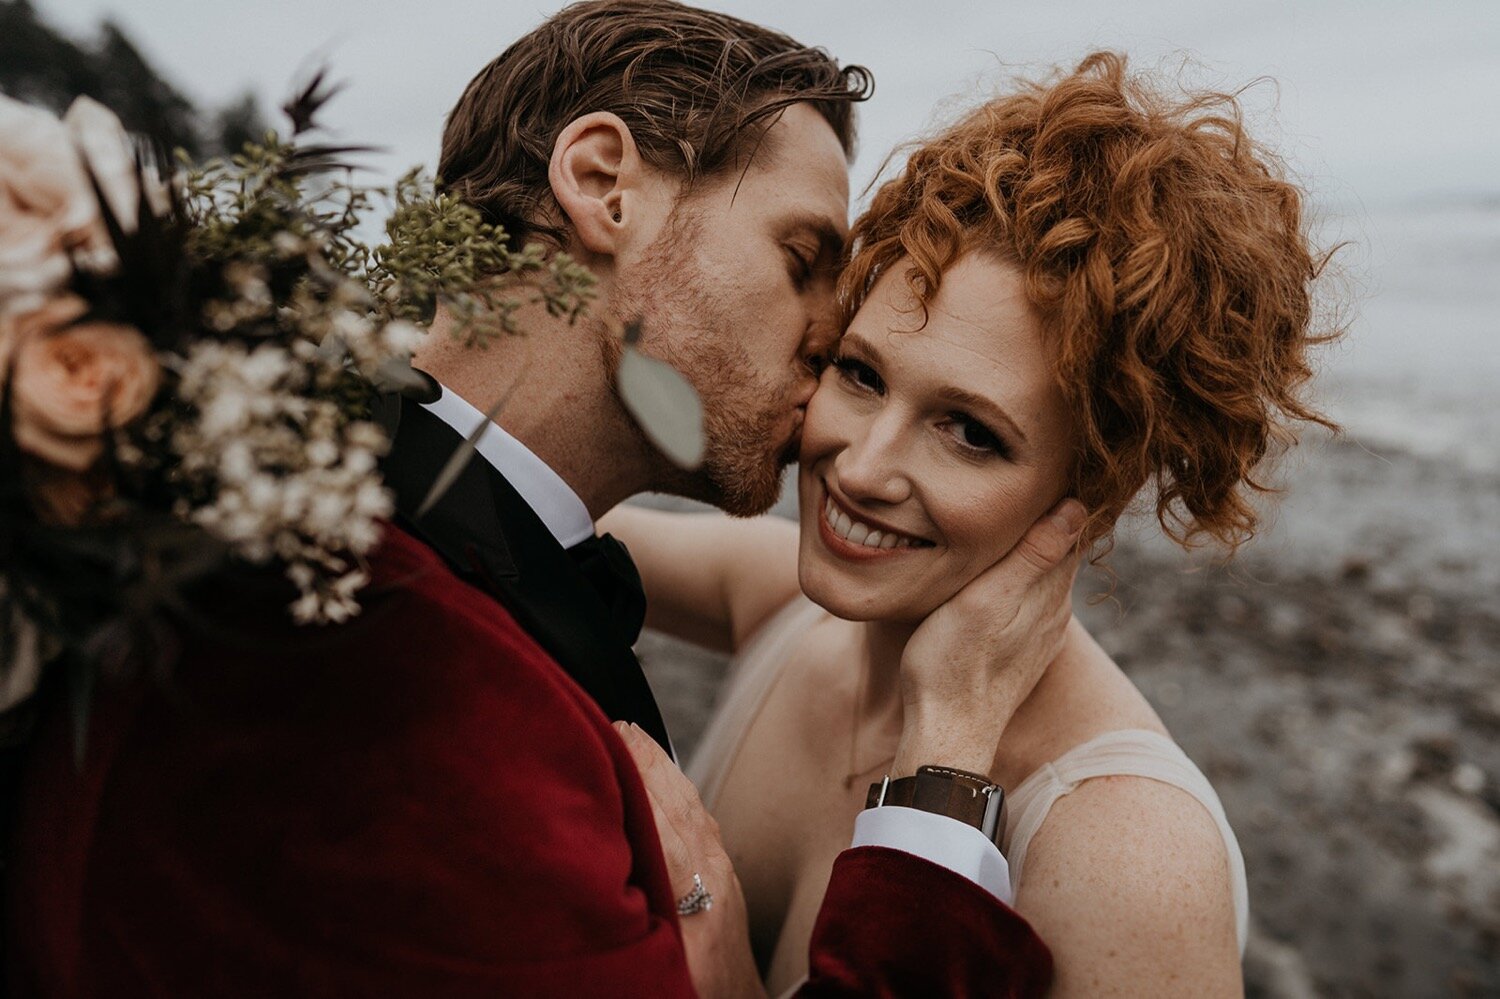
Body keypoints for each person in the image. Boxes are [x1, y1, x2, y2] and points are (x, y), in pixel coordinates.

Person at [5, 2, 1078, 995]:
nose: (828, 332)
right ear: (606, 181)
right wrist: (943, 767)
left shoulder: (320, 501)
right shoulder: (401, 673)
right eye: (802, 258)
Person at [602, 52, 1338, 996]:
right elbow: (536, 509)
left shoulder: (1129, 857)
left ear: (1095, 488)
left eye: (970, 433)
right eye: (862, 374)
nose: (860, 468)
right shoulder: (780, 602)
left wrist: (722, 966)